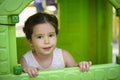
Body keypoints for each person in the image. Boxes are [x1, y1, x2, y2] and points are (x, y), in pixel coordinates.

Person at [20, 12, 92, 77]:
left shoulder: (64, 55)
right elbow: (21, 75)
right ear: (30, 41)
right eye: (40, 37)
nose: (47, 41)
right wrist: (27, 70)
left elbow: (75, 72)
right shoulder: (26, 60)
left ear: (56, 36)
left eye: (51, 35)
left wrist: (81, 65)